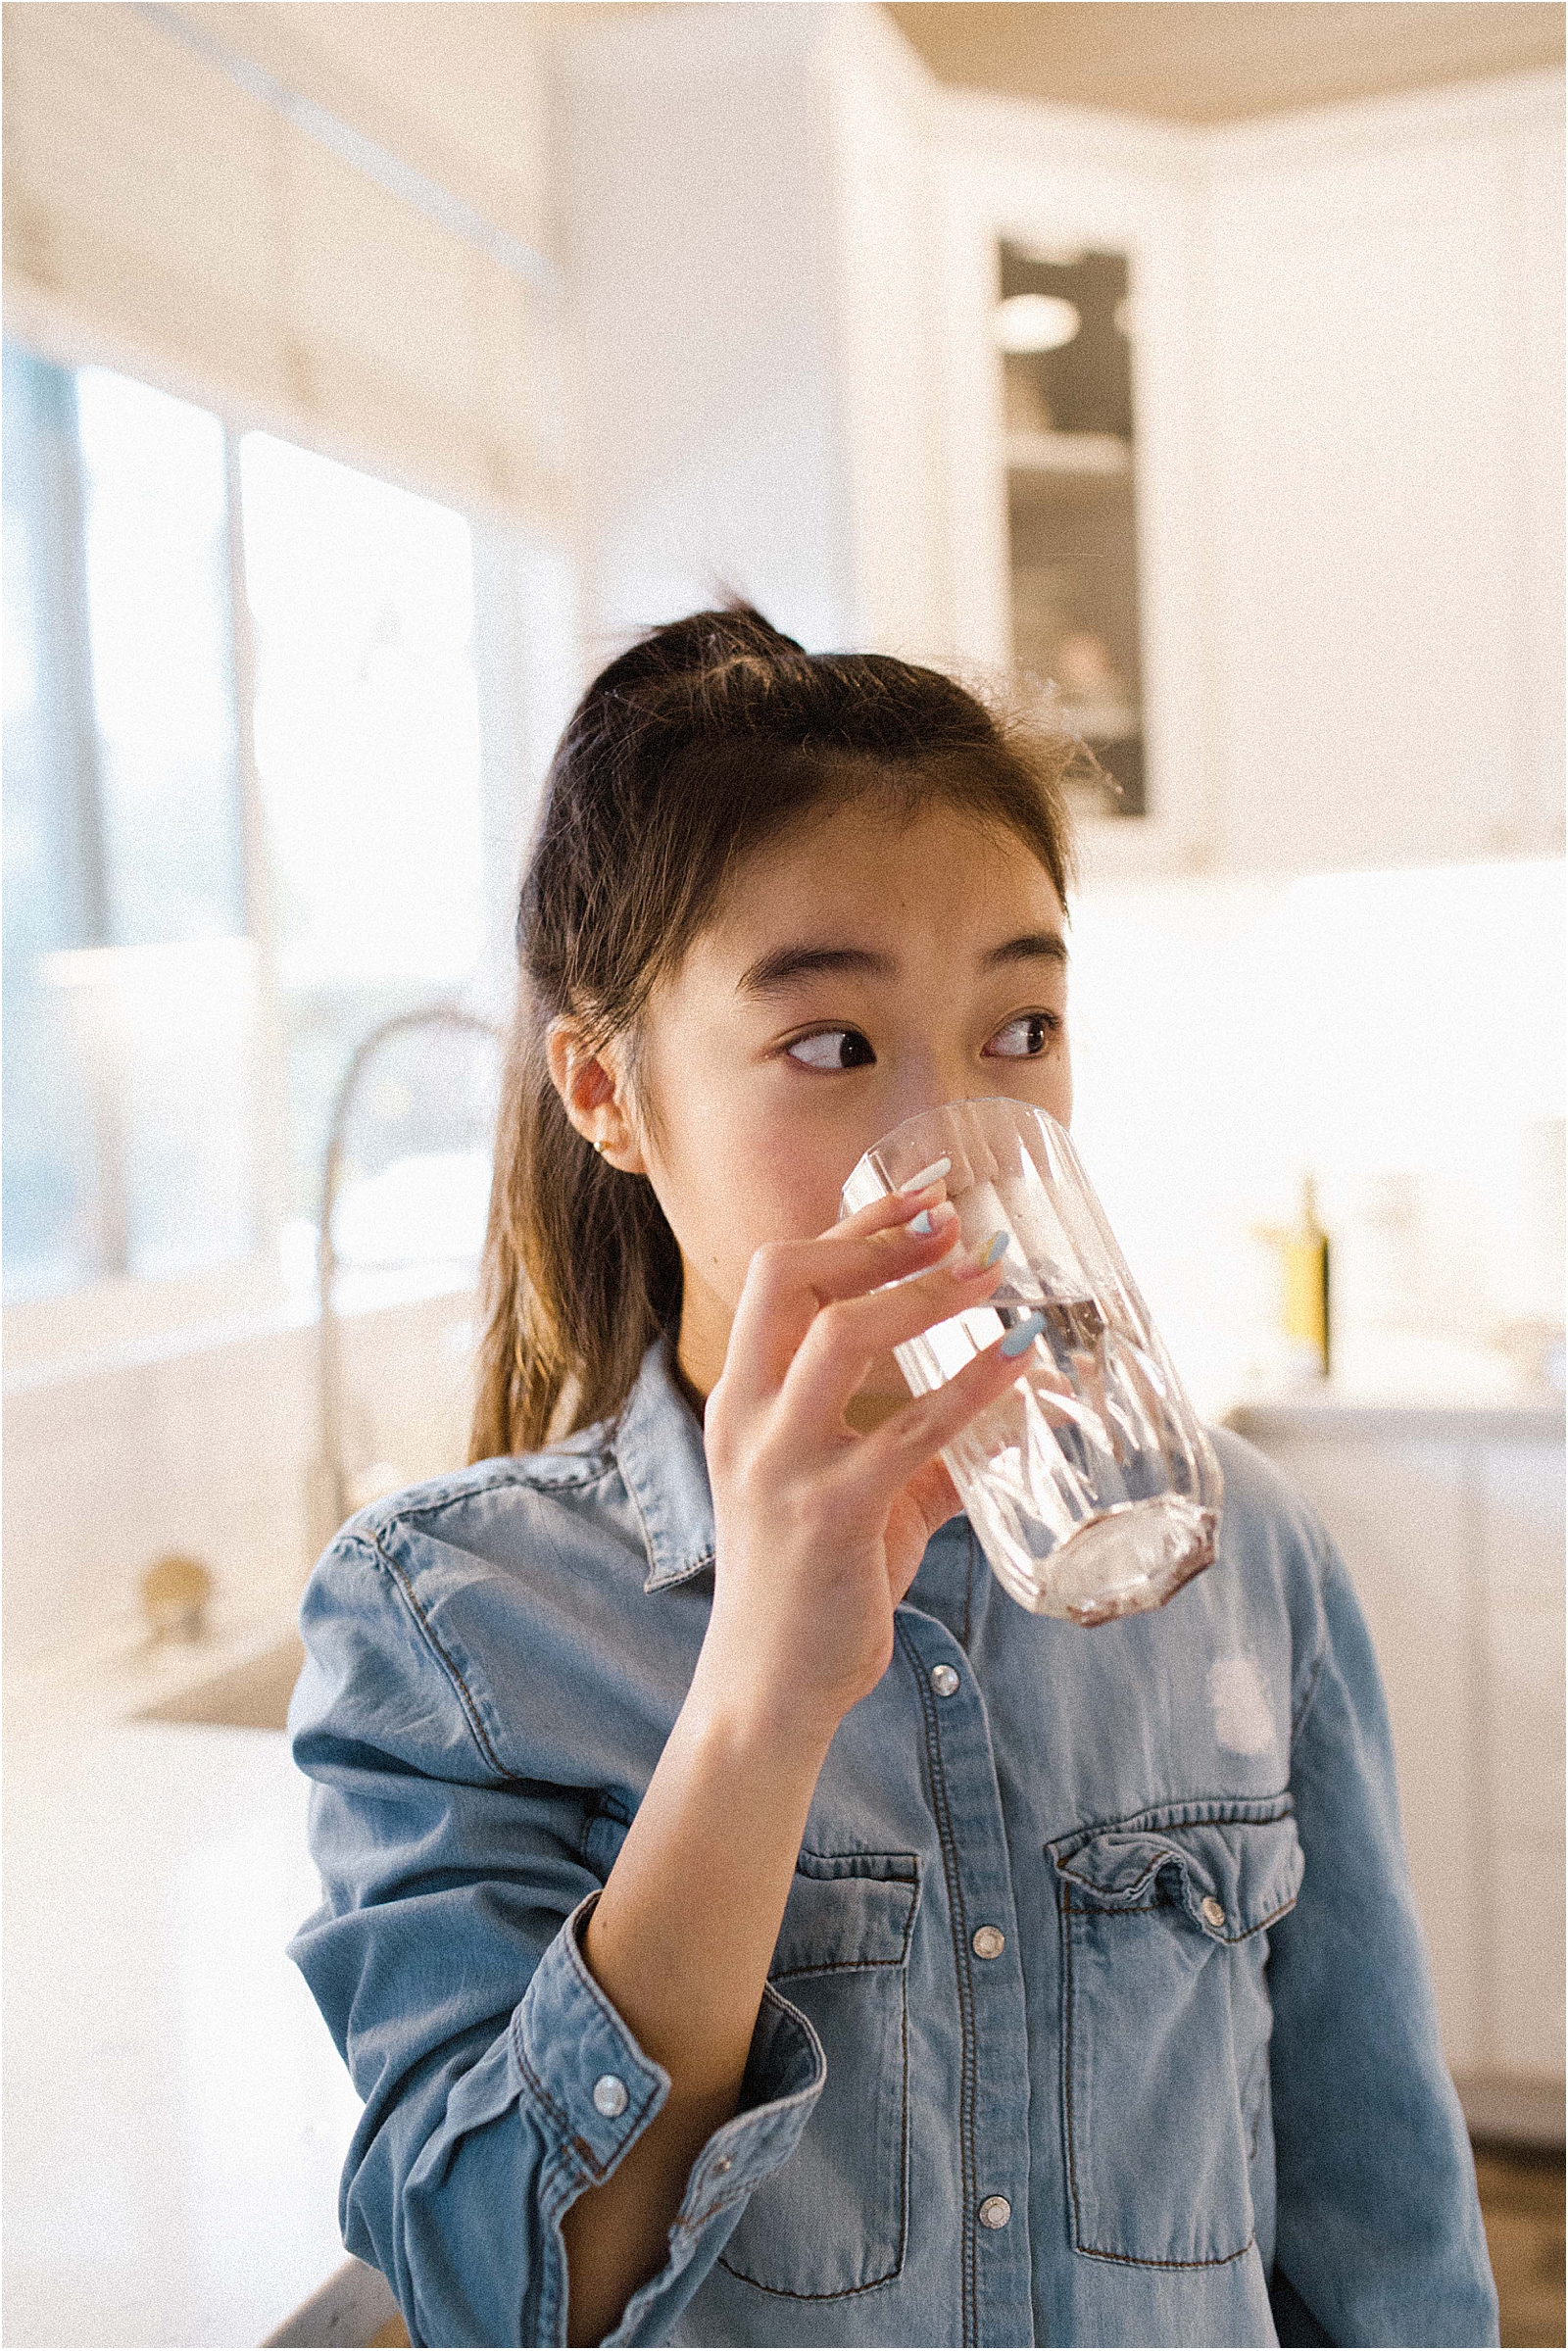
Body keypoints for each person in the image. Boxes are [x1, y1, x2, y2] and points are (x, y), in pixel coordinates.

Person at [288, 606, 1497, 2350]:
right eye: (835, 1048)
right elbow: (494, 2293)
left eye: (1020, 1030)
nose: (951, 1169)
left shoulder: (1241, 1557)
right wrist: (761, 1701)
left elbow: (1384, 2241)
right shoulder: (452, 1621)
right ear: (607, 1092)